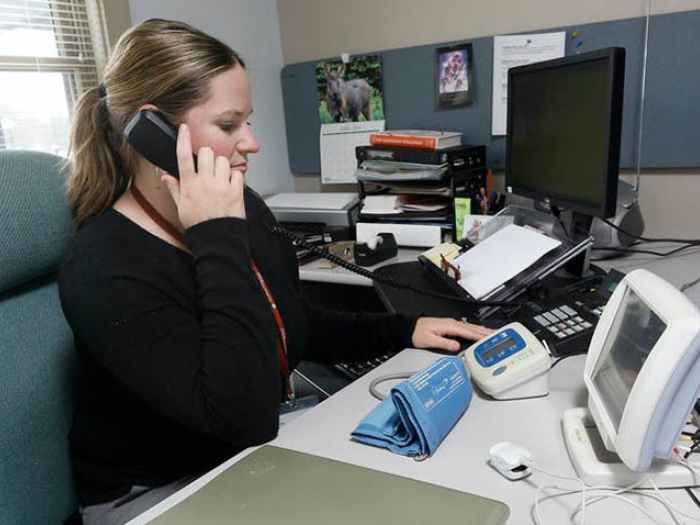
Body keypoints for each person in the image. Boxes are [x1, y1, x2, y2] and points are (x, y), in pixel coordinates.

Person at [59, 18, 493, 525]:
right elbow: (243, 414)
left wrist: (403, 329)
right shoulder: (105, 267)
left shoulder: (240, 206)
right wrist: (216, 237)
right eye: (228, 125)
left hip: (241, 451)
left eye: (248, 121)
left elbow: (288, 324)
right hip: (155, 492)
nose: (252, 143)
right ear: (154, 133)